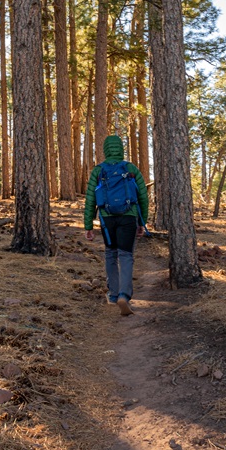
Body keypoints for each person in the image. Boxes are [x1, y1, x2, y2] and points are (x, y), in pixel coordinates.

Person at [84, 135, 149, 316]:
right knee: (126, 255)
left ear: (106, 150)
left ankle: (113, 295)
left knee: (111, 254)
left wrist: (88, 225)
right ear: (121, 149)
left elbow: (90, 200)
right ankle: (124, 295)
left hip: (107, 219)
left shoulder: (98, 171)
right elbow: (143, 197)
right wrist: (142, 222)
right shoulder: (130, 168)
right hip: (129, 217)